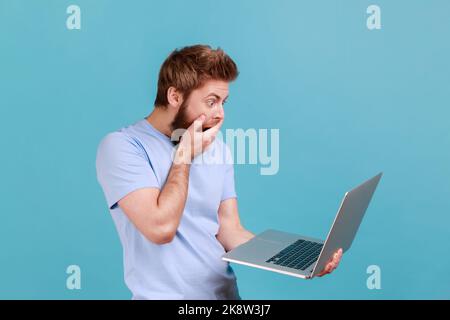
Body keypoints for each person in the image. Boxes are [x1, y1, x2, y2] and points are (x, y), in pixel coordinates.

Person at [96, 44, 342, 300]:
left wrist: (297, 259)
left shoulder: (218, 149)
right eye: (211, 102)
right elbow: (161, 229)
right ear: (175, 96)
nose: (220, 114)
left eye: (223, 102)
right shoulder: (122, 147)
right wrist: (183, 157)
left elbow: (229, 230)